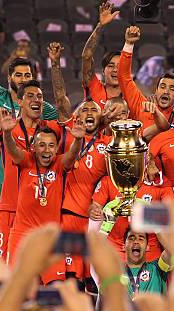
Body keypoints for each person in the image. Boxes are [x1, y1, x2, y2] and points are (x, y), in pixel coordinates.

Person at [0, 10, 58, 241]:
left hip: (21, 180)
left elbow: (64, 120)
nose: (23, 79)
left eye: (28, 75)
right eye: (18, 75)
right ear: (9, 79)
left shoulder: (42, 106)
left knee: (16, 236)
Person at [0, 112, 83, 283]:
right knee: (17, 286)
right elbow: (13, 150)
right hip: (22, 235)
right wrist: (7, 133)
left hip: (50, 237)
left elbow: (71, 156)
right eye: (41, 145)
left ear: (56, 148)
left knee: (55, 288)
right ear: (33, 147)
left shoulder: (60, 164)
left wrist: (78, 140)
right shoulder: (26, 160)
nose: (46, 150)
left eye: (51, 146)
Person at [0, 80, 62, 261]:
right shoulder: (9, 125)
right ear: (20, 102)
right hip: (10, 207)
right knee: (4, 267)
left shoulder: (50, 130)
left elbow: (69, 120)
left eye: (40, 97)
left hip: (39, 211)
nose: (37, 100)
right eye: (31, 96)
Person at [59, 99, 112, 282]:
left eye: (94, 110)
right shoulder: (66, 137)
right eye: (84, 109)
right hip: (70, 215)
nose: (89, 112)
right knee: (70, 276)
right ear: (77, 116)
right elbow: (60, 100)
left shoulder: (110, 144)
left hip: (96, 219)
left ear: (101, 117)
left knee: (93, 278)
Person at [91, 153, 174, 262]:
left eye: (136, 159)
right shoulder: (110, 181)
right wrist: (102, 214)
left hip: (149, 250)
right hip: (115, 249)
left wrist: (150, 213)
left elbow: (172, 218)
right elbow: (94, 210)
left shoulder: (160, 184)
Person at [118, 25, 174, 129]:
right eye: (162, 86)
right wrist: (129, 44)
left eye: (172, 89)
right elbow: (123, 76)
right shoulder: (140, 105)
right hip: (141, 83)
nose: (166, 91)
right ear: (156, 90)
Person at [81, 1, 121, 108]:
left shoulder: (131, 97)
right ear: (103, 71)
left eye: (120, 67)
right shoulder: (94, 87)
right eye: (111, 66)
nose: (115, 70)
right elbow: (86, 57)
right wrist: (101, 26)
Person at [119, 229, 173, 298]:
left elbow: (172, 250)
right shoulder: (114, 272)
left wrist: (155, 225)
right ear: (124, 247)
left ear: (147, 247)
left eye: (141, 239)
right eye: (131, 238)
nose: (136, 241)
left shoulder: (157, 268)